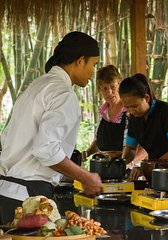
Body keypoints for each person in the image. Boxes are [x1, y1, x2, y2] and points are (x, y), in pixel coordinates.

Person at [0, 31, 103, 224]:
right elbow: (45, 149)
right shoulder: (63, 94)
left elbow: (7, 138)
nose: (93, 72)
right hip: (29, 197)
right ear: (80, 61)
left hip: (7, 192)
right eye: (93, 65)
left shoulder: (37, 85)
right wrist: (86, 176)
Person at [120, 73, 168, 180]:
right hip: (154, 173)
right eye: (127, 107)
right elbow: (130, 149)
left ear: (147, 98)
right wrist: (120, 167)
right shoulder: (134, 117)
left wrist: (147, 167)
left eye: (135, 106)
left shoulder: (167, 112)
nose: (131, 111)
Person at [82, 65, 128, 158]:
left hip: (127, 167)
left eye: (113, 87)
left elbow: (139, 146)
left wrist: (125, 162)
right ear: (100, 90)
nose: (109, 92)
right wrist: (87, 153)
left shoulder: (130, 111)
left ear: (120, 85)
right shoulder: (103, 112)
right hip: (104, 166)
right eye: (105, 88)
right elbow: (98, 142)